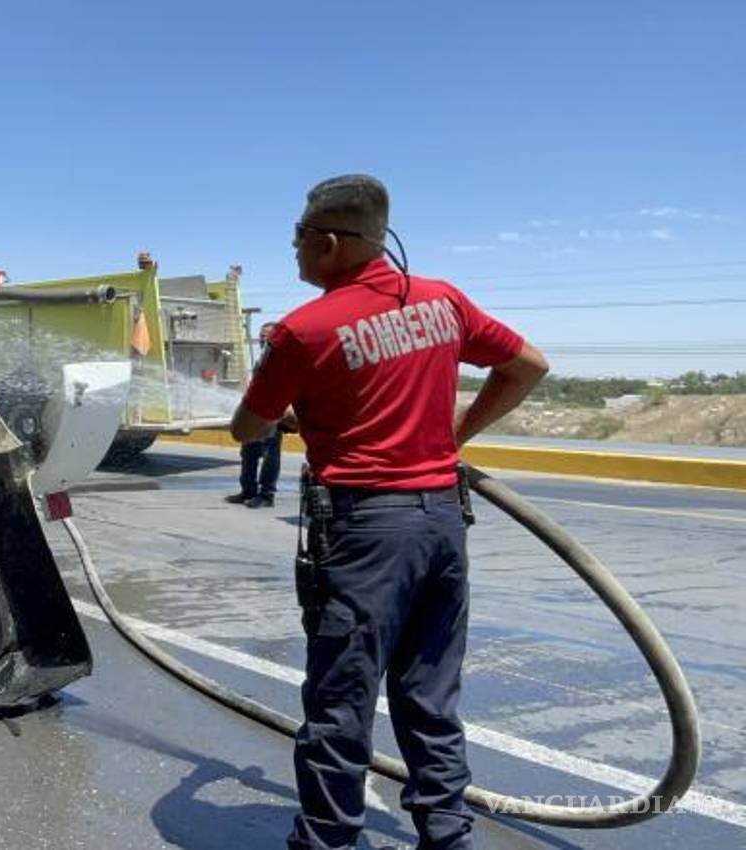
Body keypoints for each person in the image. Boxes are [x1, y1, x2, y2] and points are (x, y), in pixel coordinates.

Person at [231, 175, 548, 850]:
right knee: (430, 694)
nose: (293, 253)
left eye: (297, 240)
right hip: (441, 523)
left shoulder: (302, 329)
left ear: (326, 242)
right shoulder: (443, 300)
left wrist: (289, 413)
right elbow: (526, 366)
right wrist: (453, 437)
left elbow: (246, 428)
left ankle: (328, 840)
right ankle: (447, 835)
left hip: (366, 532)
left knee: (340, 700)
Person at [225, 322, 283, 508]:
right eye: (261, 337)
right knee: (248, 451)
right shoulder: (262, 359)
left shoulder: (283, 359)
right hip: (256, 413)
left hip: (273, 414)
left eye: (266, 337)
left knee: (270, 454)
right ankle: (248, 490)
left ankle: (267, 495)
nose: (262, 341)